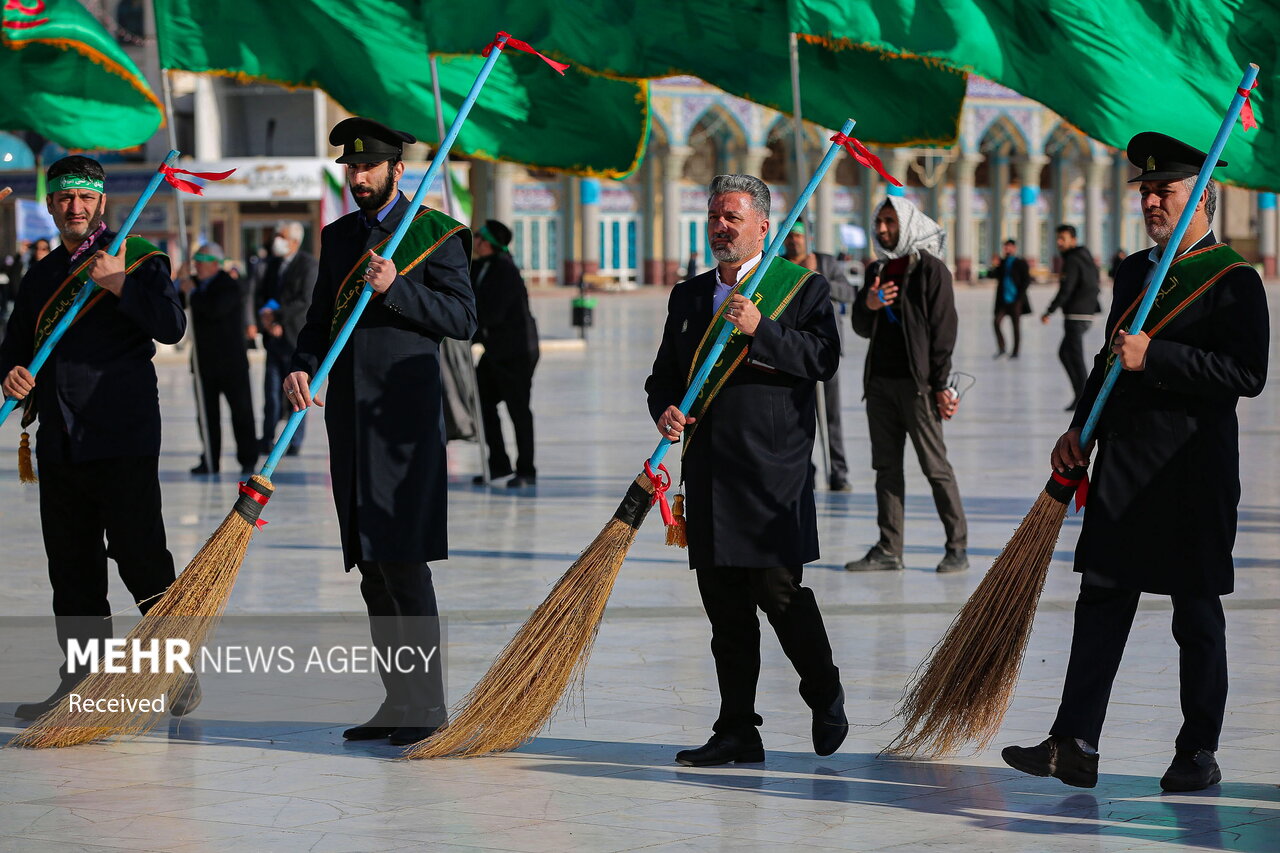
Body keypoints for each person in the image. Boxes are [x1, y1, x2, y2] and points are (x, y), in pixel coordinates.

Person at [1002, 132, 1269, 793]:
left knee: (1195, 613)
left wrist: (1158, 358)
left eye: (1165, 191)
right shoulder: (1132, 271)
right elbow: (1108, 358)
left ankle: (1198, 750)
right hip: (1123, 463)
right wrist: (1080, 427)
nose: (1151, 200)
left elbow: (1246, 372)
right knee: (1101, 599)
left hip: (1189, 469)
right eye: (1146, 191)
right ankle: (1075, 740)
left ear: (1201, 197)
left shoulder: (1235, 279)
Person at [645, 174, 848, 767]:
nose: (720, 227)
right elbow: (663, 375)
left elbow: (823, 359)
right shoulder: (688, 296)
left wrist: (763, 330)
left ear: (764, 224)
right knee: (723, 606)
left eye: (732, 217)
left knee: (777, 591)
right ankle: (737, 727)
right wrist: (666, 410)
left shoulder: (799, 290)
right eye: (714, 216)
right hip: (708, 470)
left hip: (771, 471)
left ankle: (824, 690)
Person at [286, 117, 476, 746]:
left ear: (398, 169)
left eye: (370, 167)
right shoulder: (339, 237)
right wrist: (301, 366)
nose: (359, 177)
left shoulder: (435, 233)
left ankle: (428, 707)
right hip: (350, 420)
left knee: (404, 563)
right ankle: (397, 702)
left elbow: (461, 319)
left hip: (406, 424)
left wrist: (397, 290)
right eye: (351, 167)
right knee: (370, 565)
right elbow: (319, 322)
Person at [0, 156, 197, 720]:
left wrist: (117, 284)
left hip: (122, 432)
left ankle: (176, 674)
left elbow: (171, 324)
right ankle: (80, 683)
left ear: (102, 203)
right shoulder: (40, 274)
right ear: (51, 205)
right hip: (59, 440)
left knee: (141, 559)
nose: (75, 208)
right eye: (64, 198)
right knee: (72, 570)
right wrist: (10, 372)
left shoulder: (136, 257)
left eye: (85, 198)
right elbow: (15, 345)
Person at [843, 194, 968, 574]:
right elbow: (861, 328)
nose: (882, 229)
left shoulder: (931, 270)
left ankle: (957, 547)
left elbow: (944, 332)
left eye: (889, 222)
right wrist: (871, 304)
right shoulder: (877, 271)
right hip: (880, 385)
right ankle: (889, 548)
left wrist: (940, 385)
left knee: (935, 467)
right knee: (886, 468)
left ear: (907, 223)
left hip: (919, 388)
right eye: (879, 223)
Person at [783, 220, 855, 491]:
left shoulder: (825, 263)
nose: (794, 241)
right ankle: (804, 471)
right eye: (790, 236)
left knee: (831, 416)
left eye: (799, 236)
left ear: (808, 238)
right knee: (796, 417)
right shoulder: (781, 266)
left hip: (824, 352)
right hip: (792, 351)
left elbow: (848, 293)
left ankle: (838, 471)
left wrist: (816, 277)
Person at [470, 219, 540, 487]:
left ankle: (526, 470)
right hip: (495, 350)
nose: (475, 241)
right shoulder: (481, 266)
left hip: (517, 351)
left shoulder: (505, 271)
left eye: (478, 237)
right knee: (482, 403)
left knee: (518, 409)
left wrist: (467, 329)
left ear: (488, 243)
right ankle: (498, 464)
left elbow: (492, 313)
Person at [180, 244, 258, 476]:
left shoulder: (229, 285)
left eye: (202, 261)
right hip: (204, 362)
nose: (197, 266)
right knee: (206, 415)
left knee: (241, 412)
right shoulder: (193, 282)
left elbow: (214, 309)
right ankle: (210, 458)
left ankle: (247, 459)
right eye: (196, 261)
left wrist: (192, 293)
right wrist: (182, 282)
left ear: (215, 263)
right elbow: (177, 299)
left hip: (231, 362)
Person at [257, 221, 317, 456]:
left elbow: (305, 301)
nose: (276, 241)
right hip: (274, 339)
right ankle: (267, 437)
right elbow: (264, 294)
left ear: (294, 241)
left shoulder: (308, 265)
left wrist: (279, 318)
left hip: (295, 338)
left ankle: (294, 440)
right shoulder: (273, 265)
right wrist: (268, 321)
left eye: (281, 236)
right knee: (271, 393)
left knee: (298, 393)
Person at [1042, 224, 1102, 411]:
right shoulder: (1084, 257)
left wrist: (1050, 310)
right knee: (1066, 353)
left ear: (1073, 240)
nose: (1059, 242)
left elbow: (1066, 289)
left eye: (1063, 239)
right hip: (1084, 312)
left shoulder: (1073, 260)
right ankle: (1080, 395)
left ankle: (1084, 397)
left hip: (1077, 313)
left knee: (1074, 355)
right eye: (1058, 239)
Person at [986, 238, 1031, 358]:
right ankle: (1002, 348)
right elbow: (991, 275)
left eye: (1009, 247)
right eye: (1005, 247)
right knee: (996, 322)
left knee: (1015, 326)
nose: (1007, 249)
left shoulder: (1020, 262)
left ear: (1014, 248)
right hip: (1003, 301)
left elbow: (1026, 280)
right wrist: (994, 265)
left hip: (1016, 300)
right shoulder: (1002, 262)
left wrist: (1020, 296)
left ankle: (1015, 351)